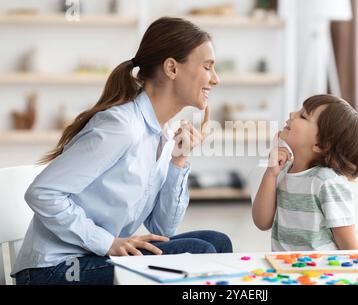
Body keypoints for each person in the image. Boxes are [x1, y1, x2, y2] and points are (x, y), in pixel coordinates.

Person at [12, 17, 232, 285]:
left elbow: (162, 229)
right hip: (55, 269)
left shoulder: (164, 133)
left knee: (217, 242)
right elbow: (42, 193)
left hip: (94, 259)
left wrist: (179, 160)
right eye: (207, 67)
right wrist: (108, 243)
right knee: (200, 253)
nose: (216, 79)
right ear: (172, 68)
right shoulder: (121, 127)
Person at [252, 95, 358, 251]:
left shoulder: (326, 182)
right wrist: (271, 173)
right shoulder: (283, 171)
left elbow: (350, 246)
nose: (291, 114)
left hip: (319, 273)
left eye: (303, 116)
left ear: (320, 144)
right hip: (282, 270)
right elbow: (262, 222)